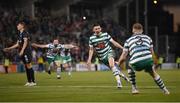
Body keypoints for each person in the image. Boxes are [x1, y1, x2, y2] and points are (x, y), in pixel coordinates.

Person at [118, 23, 170, 94]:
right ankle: (165, 90)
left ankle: (134, 88)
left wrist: (118, 63)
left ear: (133, 30)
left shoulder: (128, 40)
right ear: (142, 30)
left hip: (137, 62)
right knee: (153, 73)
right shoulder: (148, 38)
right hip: (148, 60)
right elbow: (152, 52)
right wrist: (155, 62)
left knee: (130, 67)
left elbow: (124, 57)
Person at [87, 23, 129, 88]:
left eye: (99, 28)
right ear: (93, 30)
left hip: (109, 52)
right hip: (102, 57)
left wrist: (122, 48)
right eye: (96, 29)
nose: (98, 30)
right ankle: (124, 76)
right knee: (113, 69)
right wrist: (89, 59)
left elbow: (114, 42)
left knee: (112, 65)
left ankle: (119, 83)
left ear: (100, 29)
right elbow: (91, 50)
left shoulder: (105, 35)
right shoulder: (91, 38)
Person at [3, 21, 36, 86]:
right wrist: (9, 48)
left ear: (22, 26)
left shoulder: (25, 33)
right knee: (26, 66)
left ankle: (33, 82)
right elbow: (17, 44)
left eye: (18, 25)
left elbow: (25, 42)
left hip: (26, 51)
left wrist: (22, 50)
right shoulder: (20, 34)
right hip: (23, 52)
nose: (17, 26)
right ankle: (29, 81)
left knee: (29, 65)